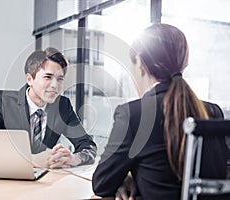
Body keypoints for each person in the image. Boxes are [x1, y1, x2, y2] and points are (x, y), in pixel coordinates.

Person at [92, 24, 228, 200]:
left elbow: (101, 183)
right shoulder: (212, 111)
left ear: (140, 63)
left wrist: (125, 178)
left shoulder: (133, 115)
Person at [0, 47, 97, 169]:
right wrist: (30, 160)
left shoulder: (63, 106)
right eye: (48, 77)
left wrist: (75, 158)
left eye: (60, 79)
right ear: (30, 79)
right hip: (6, 177)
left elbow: (88, 145)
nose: (55, 86)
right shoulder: (2, 104)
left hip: (46, 179)